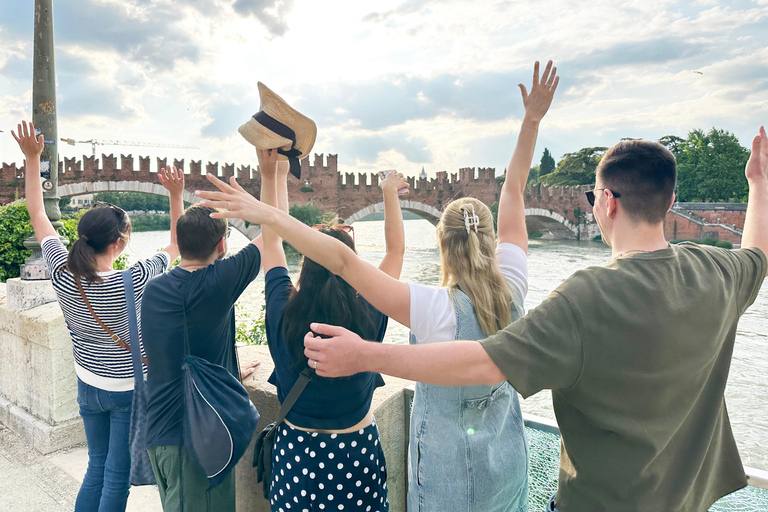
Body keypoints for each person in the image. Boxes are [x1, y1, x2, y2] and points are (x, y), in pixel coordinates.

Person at [297, 128, 768, 511]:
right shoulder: (718, 270)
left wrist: (364, 355)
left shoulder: (588, 295)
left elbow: (486, 363)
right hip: (690, 501)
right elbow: (758, 255)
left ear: (606, 202)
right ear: (669, 203)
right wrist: (758, 185)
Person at [196, 61, 560, 512]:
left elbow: (293, 254)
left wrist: (270, 186)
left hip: (347, 468)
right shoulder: (509, 291)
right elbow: (513, 194)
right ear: (490, 242)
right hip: (494, 468)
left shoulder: (291, 312)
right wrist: (530, 123)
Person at [12, 120, 184, 512]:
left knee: (96, 466)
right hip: (124, 390)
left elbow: (37, 213)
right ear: (119, 242)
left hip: (87, 385)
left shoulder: (61, 268)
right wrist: (176, 195)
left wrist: (33, 159)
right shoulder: (135, 278)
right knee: (115, 479)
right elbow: (176, 244)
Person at [256, 146, 408, 512]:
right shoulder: (369, 313)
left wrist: (270, 173)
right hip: (356, 454)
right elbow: (396, 253)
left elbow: (272, 241)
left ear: (306, 266)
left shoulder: (284, 313)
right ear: (353, 266)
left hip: (295, 457)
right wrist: (389, 193)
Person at [140, 199, 264, 512]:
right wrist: (271, 171)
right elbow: (274, 232)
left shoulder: (154, 289)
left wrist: (227, 372)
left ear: (179, 243)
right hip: (196, 440)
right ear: (222, 244)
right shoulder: (218, 284)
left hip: (159, 431)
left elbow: (181, 346)